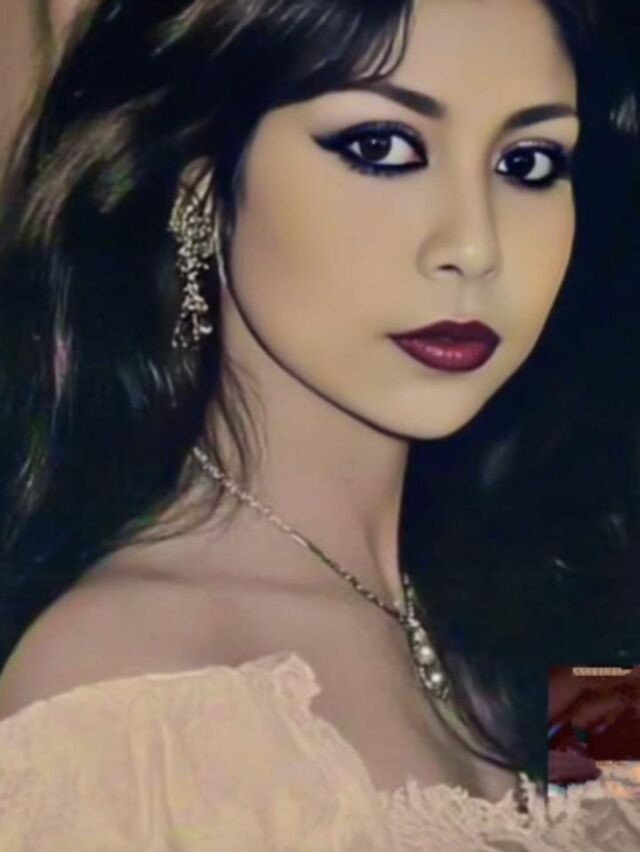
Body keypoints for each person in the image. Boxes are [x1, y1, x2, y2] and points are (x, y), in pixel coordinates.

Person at [0, 0, 639, 848]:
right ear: (200, 189)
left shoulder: (555, 598)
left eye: (527, 162)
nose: (476, 247)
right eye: (381, 147)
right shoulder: (129, 684)